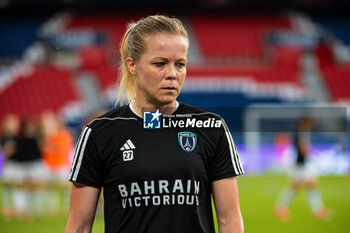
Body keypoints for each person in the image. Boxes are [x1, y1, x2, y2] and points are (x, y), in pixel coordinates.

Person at [65, 15, 244, 233]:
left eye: (180, 64)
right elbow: (79, 227)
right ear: (132, 65)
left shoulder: (211, 127)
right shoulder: (99, 133)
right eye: (160, 64)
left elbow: (229, 219)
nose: (172, 74)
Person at [274, 116, 329, 221]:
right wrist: (308, 152)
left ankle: (281, 208)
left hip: (300, 164)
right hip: (300, 164)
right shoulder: (300, 132)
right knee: (307, 185)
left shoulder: (301, 132)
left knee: (298, 186)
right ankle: (317, 211)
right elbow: (300, 147)